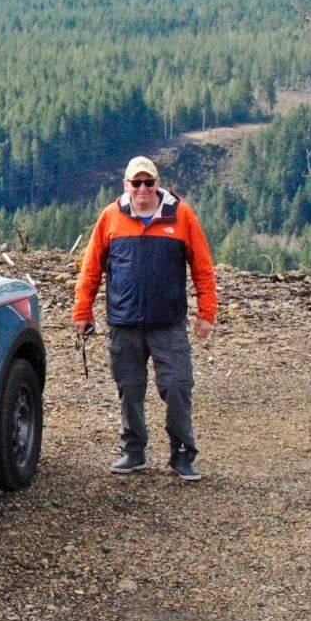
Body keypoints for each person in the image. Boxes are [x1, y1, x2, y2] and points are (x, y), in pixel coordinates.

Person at [74, 156, 217, 481]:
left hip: (169, 324)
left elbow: (202, 267)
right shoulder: (110, 216)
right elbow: (91, 268)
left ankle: (182, 454)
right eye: (136, 182)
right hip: (124, 324)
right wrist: (82, 311)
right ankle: (133, 450)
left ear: (157, 184)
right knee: (129, 389)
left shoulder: (181, 215)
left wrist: (206, 313)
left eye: (148, 182)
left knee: (178, 387)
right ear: (126, 184)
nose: (142, 189)